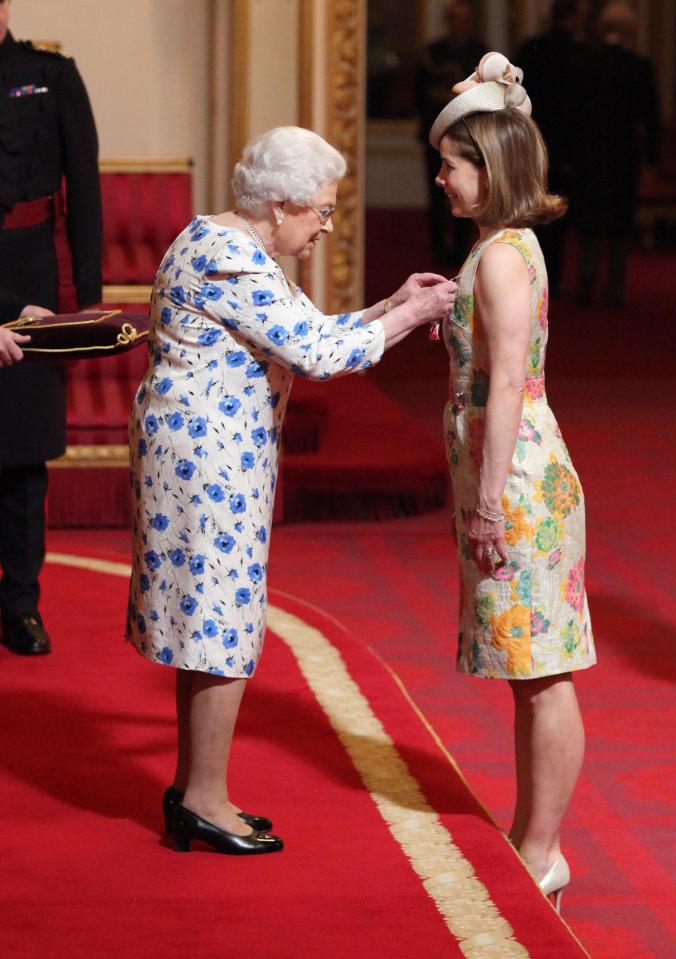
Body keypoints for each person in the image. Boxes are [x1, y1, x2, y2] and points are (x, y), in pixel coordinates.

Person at [126, 126, 457, 855]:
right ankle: (206, 800)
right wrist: (413, 316)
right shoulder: (230, 259)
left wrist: (390, 303)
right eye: (322, 211)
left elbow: (305, 329)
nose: (327, 226)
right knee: (219, 628)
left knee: (206, 625)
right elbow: (314, 354)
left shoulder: (233, 243)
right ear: (279, 205)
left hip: (208, 454)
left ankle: (193, 791)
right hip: (208, 463)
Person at [428, 53, 596, 910]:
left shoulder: (497, 257)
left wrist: (489, 503)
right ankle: (534, 837)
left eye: (451, 163)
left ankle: (542, 848)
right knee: (533, 670)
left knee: (544, 671)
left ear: (487, 168)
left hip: (519, 478)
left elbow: (501, 392)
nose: (440, 177)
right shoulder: (502, 246)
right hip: (516, 467)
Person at [0, 0, 103, 656]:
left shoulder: (51, 73)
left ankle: (20, 605)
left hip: (34, 283)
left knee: (21, 459)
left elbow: (84, 189)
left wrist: (83, 307)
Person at [571, 1, 659, 307]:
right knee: (621, 224)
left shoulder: (584, 63)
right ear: (629, 31)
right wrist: (650, 161)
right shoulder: (640, 67)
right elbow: (651, 118)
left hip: (590, 156)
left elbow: (574, 114)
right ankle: (615, 287)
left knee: (590, 222)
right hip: (624, 157)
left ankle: (586, 280)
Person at [517, 1, 586, 297]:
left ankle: (528, 274)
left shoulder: (531, 48)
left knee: (529, 211)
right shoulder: (579, 54)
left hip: (531, 142)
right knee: (556, 216)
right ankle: (550, 279)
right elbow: (580, 108)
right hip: (564, 147)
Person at [415, 0, 486, 268]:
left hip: (468, 137)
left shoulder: (479, 53)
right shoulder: (433, 52)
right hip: (435, 135)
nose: (458, 25)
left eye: (463, 19)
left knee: (468, 193)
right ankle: (437, 252)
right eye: (454, 19)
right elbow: (419, 94)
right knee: (437, 195)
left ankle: (460, 249)